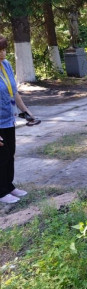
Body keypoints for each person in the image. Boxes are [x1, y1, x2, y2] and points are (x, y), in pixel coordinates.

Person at [0, 35, 33, 203]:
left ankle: (9, 186)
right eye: (0, 50)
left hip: (8, 118)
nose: (4, 52)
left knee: (10, 153)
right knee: (1, 155)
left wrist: (26, 112)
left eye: (4, 48)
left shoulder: (5, 65)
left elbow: (14, 92)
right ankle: (1, 191)